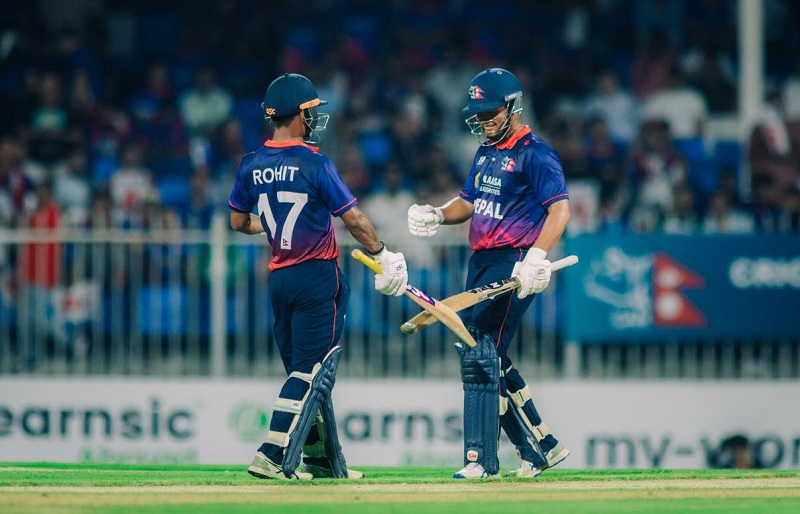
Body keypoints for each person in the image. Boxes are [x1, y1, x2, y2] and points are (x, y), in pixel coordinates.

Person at [228, 73, 408, 481]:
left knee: (305, 374)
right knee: (310, 372)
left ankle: (322, 461)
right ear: (298, 114)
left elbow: (238, 221)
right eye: (311, 111)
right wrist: (383, 254)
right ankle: (272, 454)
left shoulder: (251, 164)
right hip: (316, 276)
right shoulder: (315, 163)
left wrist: (272, 228)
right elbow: (355, 220)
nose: (314, 118)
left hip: (279, 280)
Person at [407, 68, 571, 479]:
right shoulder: (485, 152)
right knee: (485, 355)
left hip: (514, 261)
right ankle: (541, 445)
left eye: (490, 112)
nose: (483, 120)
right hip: (481, 261)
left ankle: (481, 460)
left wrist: (536, 257)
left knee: (479, 354)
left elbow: (560, 209)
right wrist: (438, 214)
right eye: (478, 114)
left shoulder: (535, 153)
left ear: (513, 107)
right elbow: (468, 202)